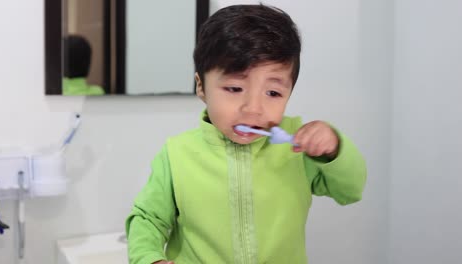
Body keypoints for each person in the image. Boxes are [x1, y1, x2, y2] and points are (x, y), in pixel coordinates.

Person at [125, 4, 366, 264]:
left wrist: (334, 150)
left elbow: (350, 191)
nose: (253, 109)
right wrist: (149, 258)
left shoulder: (298, 146)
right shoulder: (176, 154)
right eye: (234, 88)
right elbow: (148, 219)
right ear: (201, 86)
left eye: (273, 93)